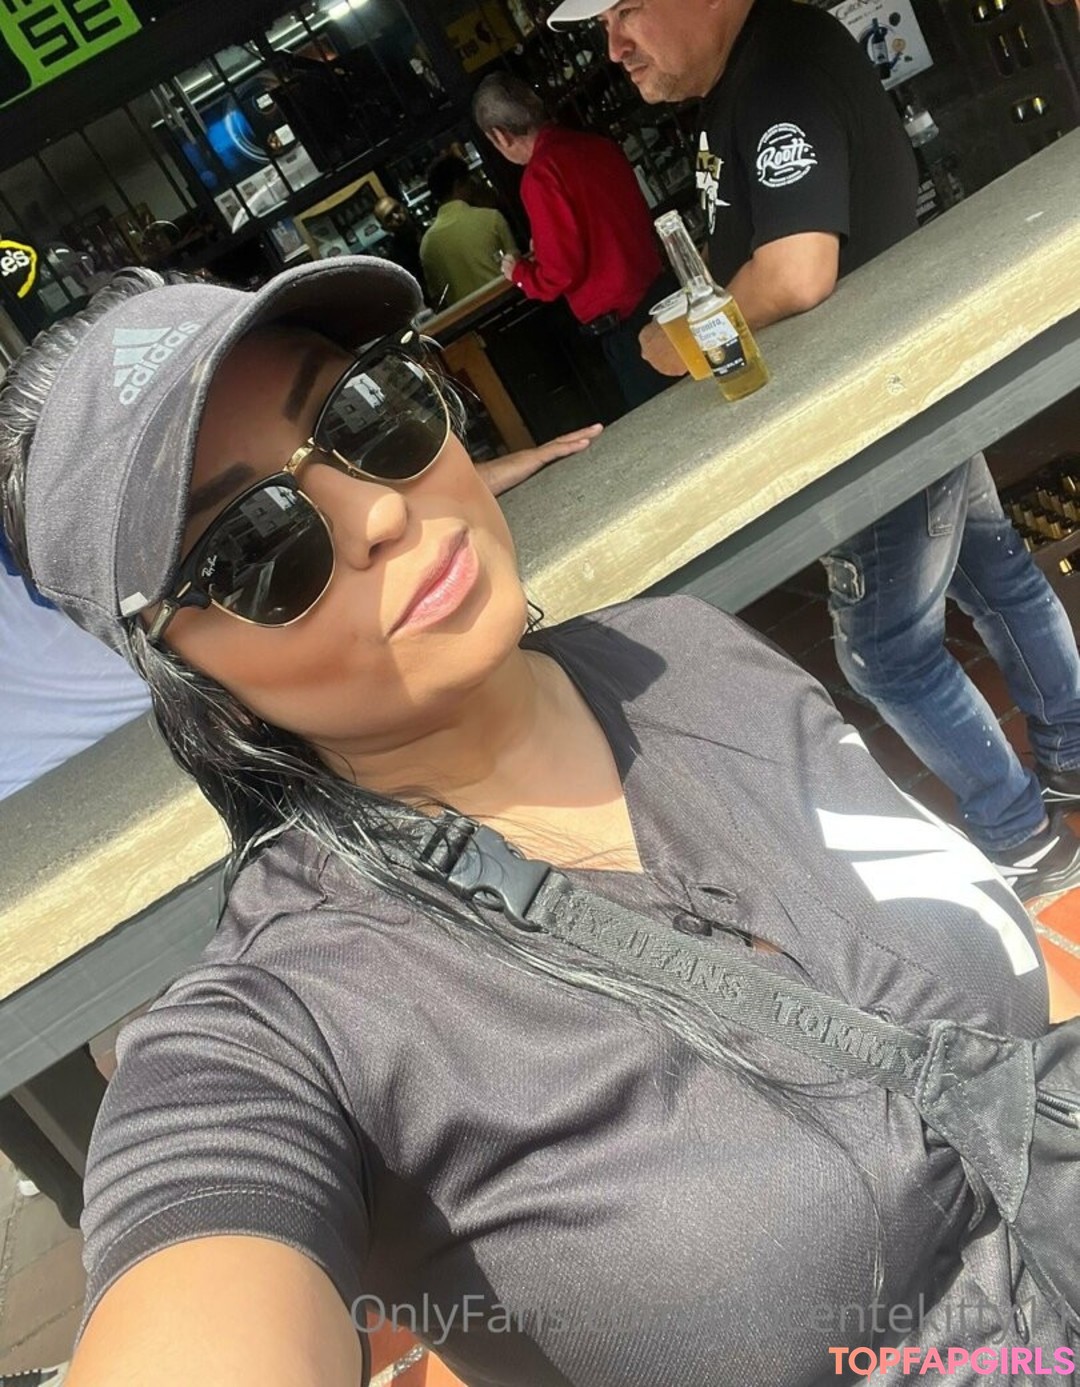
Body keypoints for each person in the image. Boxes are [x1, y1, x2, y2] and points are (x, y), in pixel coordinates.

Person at [2, 260, 1074, 1387]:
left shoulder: (683, 651)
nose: (378, 510)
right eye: (256, 547)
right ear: (190, 674)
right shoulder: (281, 1029)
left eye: (365, 414)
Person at [549, 0, 1080, 902]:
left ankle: (1022, 838)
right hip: (892, 385)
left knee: (885, 652)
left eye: (626, 9)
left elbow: (797, 272)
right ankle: (1070, 755)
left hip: (869, 413)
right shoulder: (749, 74)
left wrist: (676, 341)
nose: (615, 45)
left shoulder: (779, 71)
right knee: (995, 573)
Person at [472, 72, 672, 412]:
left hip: (627, 324)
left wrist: (520, 273)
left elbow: (560, 272)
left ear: (500, 135)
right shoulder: (595, 145)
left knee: (667, 419)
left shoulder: (540, 175)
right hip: (662, 290)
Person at [418, 154, 517, 307]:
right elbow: (516, 264)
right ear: (458, 184)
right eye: (469, 181)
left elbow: (438, 298)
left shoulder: (427, 245)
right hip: (510, 304)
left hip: (468, 318)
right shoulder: (491, 218)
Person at [373, 194, 426, 295]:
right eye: (389, 218)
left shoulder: (428, 225)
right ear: (385, 228)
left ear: (403, 206)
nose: (397, 217)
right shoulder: (397, 259)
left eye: (397, 209)